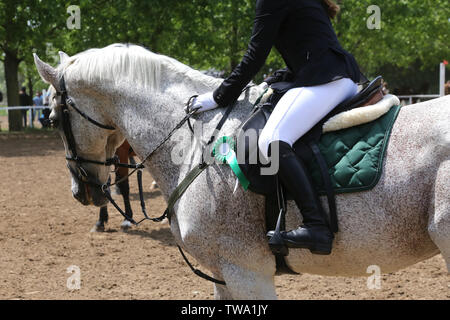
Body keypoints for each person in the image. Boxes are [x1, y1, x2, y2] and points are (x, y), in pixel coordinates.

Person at [192, 0, 362, 255]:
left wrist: (218, 97)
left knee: (271, 139)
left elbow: (255, 55)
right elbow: (311, 43)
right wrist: (286, 73)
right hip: (338, 76)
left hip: (326, 80)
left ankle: (316, 226)